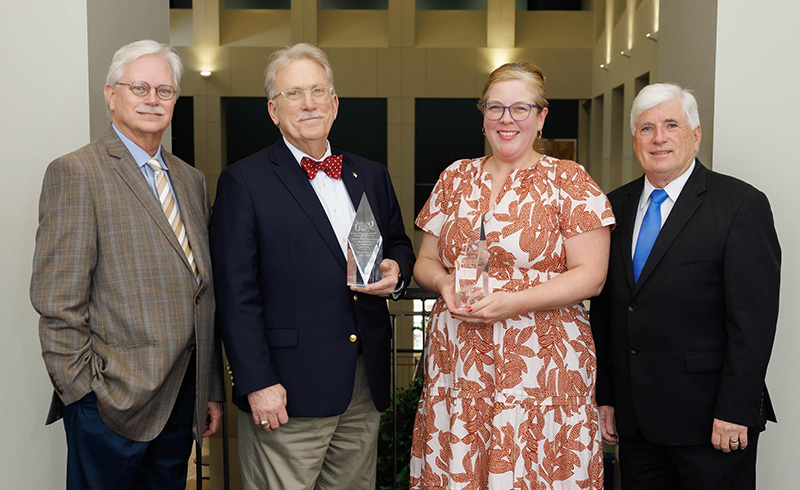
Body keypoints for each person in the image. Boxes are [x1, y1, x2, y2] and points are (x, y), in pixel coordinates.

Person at [209, 42, 415, 489]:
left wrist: (396, 271)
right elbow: (234, 293)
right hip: (287, 389)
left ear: (335, 103)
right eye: (293, 94)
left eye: (318, 91)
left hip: (363, 384)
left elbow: (399, 243)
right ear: (273, 110)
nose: (308, 103)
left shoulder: (370, 174)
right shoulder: (244, 181)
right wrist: (256, 381)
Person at [410, 61, 615, 489]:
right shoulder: (454, 177)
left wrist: (513, 302)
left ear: (541, 118)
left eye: (520, 109)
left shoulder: (570, 181)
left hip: (543, 365)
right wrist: (444, 283)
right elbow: (425, 262)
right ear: (483, 115)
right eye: (495, 108)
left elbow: (592, 277)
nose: (507, 120)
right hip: (461, 363)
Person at [30, 40, 224, 490]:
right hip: (109, 404)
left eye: (165, 91)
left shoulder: (190, 180)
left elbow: (203, 293)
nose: (153, 100)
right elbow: (57, 300)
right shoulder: (77, 172)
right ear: (111, 94)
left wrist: (209, 388)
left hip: (180, 399)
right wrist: (83, 395)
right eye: (140, 87)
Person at [591, 82, 781, 490]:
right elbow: (605, 313)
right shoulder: (612, 207)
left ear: (695, 135)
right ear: (634, 139)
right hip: (637, 424)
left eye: (671, 125)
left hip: (712, 424)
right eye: (646, 128)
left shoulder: (740, 206)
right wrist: (605, 397)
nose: (658, 138)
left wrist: (736, 409)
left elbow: (754, 321)